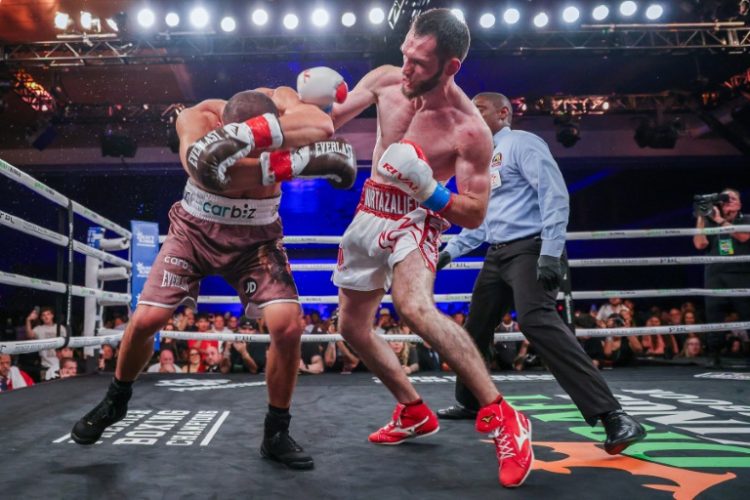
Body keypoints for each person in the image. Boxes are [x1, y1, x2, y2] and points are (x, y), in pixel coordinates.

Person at [70, 75, 357, 471]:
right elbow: (206, 170)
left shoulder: (282, 99)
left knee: (288, 326)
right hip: (194, 231)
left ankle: (276, 431)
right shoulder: (196, 118)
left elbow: (322, 126)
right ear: (222, 127)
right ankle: (116, 399)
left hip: (257, 239)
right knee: (146, 319)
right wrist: (293, 161)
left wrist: (262, 144)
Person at [330, 8, 532, 487]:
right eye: (405, 55)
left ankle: (505, 416)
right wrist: (298, 110)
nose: (406, 70)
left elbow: (475, 212)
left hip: (416, 221)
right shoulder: (384, 79)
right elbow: (328, 121)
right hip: (368, 211)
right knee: (351, 327)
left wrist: (429, 189)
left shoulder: (469, 130)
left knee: (413, 306)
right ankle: (413, 410)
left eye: (419, 63)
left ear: (450, 66)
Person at [434, 91, 645, 457]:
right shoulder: (478, 162)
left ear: (504, 112)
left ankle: (614, 415)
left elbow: (554, 194)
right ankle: (470, 402)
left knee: (536, 321)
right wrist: (449, 252)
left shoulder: (521, 143)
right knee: (475, 328)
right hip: (498, 255)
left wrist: (550, 251)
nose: (471, 114)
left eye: (479, 108)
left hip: (532, 249)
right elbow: (483, 223)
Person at [693, 188, 750, 365]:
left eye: (732, 198)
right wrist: (702, 216)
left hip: (741, 275)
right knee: (714, 316)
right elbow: (700, 244)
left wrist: (719, 219)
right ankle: (713, 355)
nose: (728, 201)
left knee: (747, 315)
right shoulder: (710, 222)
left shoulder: (746, 219)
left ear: (740, 203)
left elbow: (742, 236)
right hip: (715, 276)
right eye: (724, 199)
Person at [25, 307, 67, 376]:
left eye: (48, 314)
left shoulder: (61, 328)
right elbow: (29, 335)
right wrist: (28, 320)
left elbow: (66, 346)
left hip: (60, 365)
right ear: (41, 318)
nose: (46, 317)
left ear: (52, 315)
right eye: (43, 315)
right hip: (45, 366)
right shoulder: (38, 329)